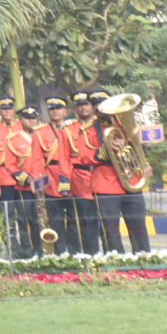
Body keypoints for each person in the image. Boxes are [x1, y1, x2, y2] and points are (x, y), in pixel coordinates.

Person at [89, 92, 152, 254]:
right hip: (107, 184)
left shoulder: (123, 126)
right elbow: (84, 156)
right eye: (96, 104)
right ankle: (116, 259)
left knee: (138, 224)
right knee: (111, 228)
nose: (99, 107)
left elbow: (136, 150)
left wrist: (144, 164)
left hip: (132, 180)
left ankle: (143, 256)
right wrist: (108, 149)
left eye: (103, 103)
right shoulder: (88, 130)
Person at [0, 97, 31, 258]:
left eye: (10, 108)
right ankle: (13, 249)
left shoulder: (22, 126)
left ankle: (28, 247)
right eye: (4, 109)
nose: (7, 111)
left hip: (22, 179)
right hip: (4, 180)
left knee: (24, 215)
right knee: (7, 216)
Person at [64, 91, 104, 254]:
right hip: (81, 179)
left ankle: (111, 254)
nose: (83, 108)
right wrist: (65, 181)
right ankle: (89, 254)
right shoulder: (69, 129)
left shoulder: (102, 126)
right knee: (85, 220)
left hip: (103, 176)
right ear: (75, 109)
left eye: (86, 104)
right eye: (79, 105)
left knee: (107, 220)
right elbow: (65, 157)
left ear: (93, 106)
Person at [37, 97, 79, 253]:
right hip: (52, 180)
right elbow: (37, 161)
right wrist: (39, 185)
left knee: (75, 218)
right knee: (56, 220)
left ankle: (76, 252)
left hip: (74, 177)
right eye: (52, 109)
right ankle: (60, 251)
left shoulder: (75, 129)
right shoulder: (41, 132)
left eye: (58, 108)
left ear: (65, 111)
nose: (55, 111)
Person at [10, 106, 47, 258]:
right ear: (21, 120)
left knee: (43, 219)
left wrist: (43, 180)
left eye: (34, 118)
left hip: (44, 184)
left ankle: (44, 249)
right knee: (25, 219)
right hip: (25, 186)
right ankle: (28, 250)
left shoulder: (43, 135)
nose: (31, 121)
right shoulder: (14, 139)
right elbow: (10, 165)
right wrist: (27, 179)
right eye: (27, 118)